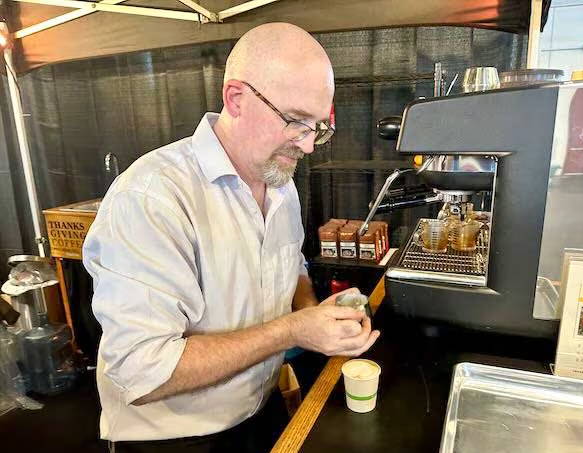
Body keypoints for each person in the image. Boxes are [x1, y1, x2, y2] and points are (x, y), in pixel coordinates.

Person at [83, 23, 380, 452]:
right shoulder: (153, 198)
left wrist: (317, 316)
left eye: (319, 127)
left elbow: (289, 264)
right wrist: (295, 330)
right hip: (177, 438)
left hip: (258, 411)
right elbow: (142, 373)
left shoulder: (280, 182)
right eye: (296, 121)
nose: (310, 145)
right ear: (236, 99)